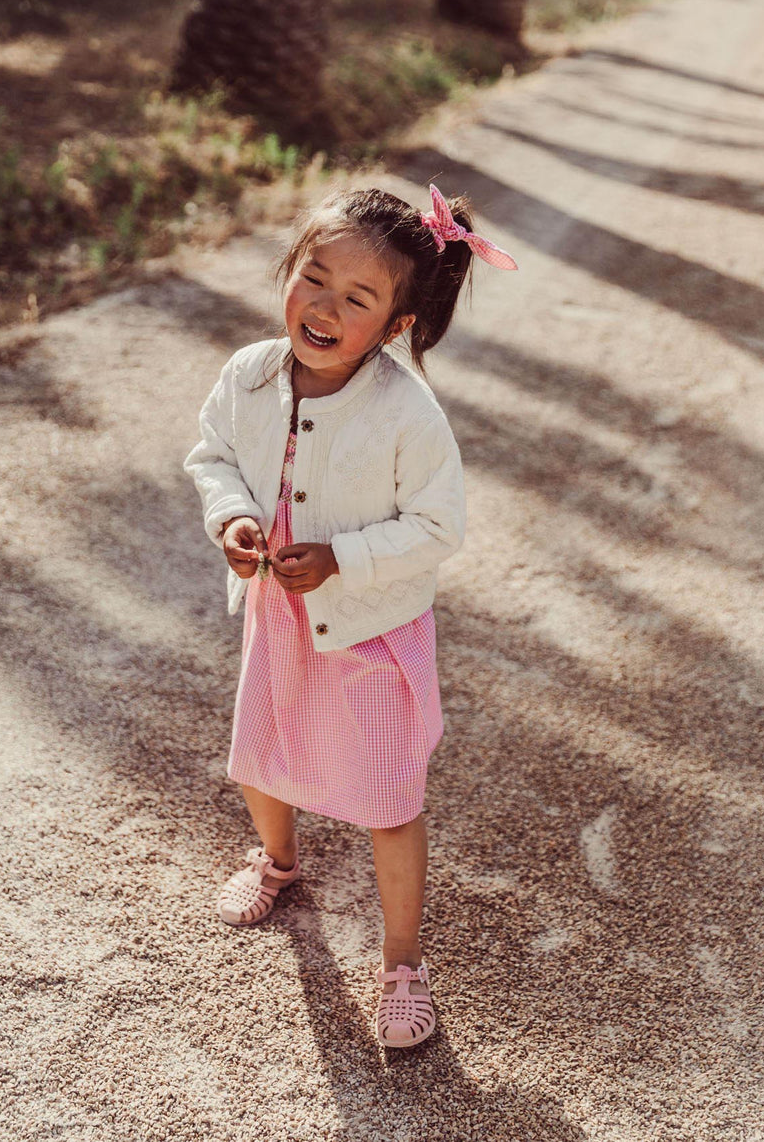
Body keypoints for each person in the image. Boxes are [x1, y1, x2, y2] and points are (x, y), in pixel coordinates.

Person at [183, 182, 518, 1048]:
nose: (325, 308)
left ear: (396, 325)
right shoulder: (249, 374)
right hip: (279, 613)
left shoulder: (406, 413)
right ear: (289, 270)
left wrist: (342, 558)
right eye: (315, 277)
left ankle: (403, 961)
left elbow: (439, 527)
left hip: (371, 628)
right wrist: (233, 517)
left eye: (358, 298)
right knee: (262, 746)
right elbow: (213, 456)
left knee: (389, 793)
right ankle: (278, 860)